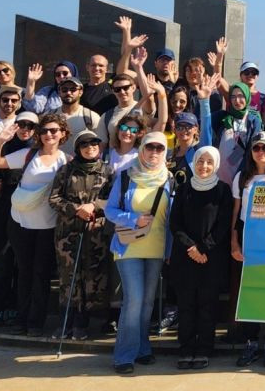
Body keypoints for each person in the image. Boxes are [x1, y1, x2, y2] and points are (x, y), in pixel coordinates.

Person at [0, 113, 69, 336]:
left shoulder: (67, 160)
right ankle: (21, 319)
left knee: (40, 274)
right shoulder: (27, 154)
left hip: (48, 225)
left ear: (63, 133)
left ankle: (35, 322)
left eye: (54, 130)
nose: (49, 134)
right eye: (44, 130)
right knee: (23, 272)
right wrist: (1, 141)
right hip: (20, 222)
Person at [104, 130, 174, 374]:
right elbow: (110, 210)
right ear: (142, 148)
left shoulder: (169, 179)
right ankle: (124, 355)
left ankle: (142, 348)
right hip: (129, 246)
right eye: (150, 147)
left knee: (146, 303)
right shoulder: (125, 176)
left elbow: (171, 220)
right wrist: (133, 219)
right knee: (133, 301)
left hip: (156, 248)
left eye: (159, 148)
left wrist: (170, 250)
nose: (154, 152)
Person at [169, 145, 233, 370]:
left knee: (207, 305)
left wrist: (204, 248)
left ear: (215, 164)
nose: (203, 166)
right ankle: (186, 348)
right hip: (185, 257)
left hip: (211, 259)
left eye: (208, 161)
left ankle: (204, 348)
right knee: (186, 305)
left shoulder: (223, 190)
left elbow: (223, 225)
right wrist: (192, 248)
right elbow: (175, 223)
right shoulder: (184, 188)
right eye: (199, 161)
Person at [47, 129, 111, 341]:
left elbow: (112, 199)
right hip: (68, 234)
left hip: (95, 235)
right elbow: (54, 199)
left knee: (91, 278)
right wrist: (76, 209)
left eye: (94, 144)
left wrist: (93, 206)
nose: (90, 147)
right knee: (69, 278)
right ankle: (66, 322)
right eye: (85, 144)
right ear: (77, 148)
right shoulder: (66, 171)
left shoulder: (108, 171)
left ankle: (83, 323)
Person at [231, 132, 265, 367]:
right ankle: (251, 342)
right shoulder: (242, 177)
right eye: (257, 148)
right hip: (248, 236)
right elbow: (235, 212)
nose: (261, 152)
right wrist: (234, 240)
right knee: (249, 291)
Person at [0, 110, 36, 328]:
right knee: (3, 259)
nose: (25, 129)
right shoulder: (6, 147)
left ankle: (17, 306)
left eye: (31, 126)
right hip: (5, 207)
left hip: (30, 209)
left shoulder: (39, 151)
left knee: (23, 262)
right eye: (21, 124)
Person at [216, 82, 261, 185]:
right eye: (233, 97)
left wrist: (242, 176)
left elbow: (254, 149)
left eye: (241, 96)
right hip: (221, 176)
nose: (237, 100)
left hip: (243, 175)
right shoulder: (223, 117)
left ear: (247, 97)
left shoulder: (254, 120)